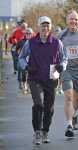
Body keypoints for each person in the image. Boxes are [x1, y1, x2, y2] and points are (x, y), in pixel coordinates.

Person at [18, 16, 67, 145]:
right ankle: (37, 132)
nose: (45, 28)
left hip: (51, 78)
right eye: (42, 25)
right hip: (35, 78)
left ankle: (45, 131)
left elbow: (64, 58)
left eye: (47, 25)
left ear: (50, 27)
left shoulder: (57, 43)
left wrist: (62, 66)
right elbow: (21, 57)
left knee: (49, 107)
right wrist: (26, 67)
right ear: (38, 27)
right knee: (39, 104)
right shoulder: (31, 43)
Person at [58, 10, 78, 137]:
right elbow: (55, 51)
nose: (73, 21)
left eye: (75, 19)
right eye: (71, 19)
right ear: (67, 21)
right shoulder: (61, 35)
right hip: (66, 68)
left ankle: (74, 115)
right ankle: (69, 125)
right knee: (68, 96)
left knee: (77, 98)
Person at [16, 27, 34, 93]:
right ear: (25, 34)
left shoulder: (34, 41)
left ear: (32, 34)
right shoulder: (21, 41)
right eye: (27, 33)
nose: (28, 35)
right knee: (23, 72)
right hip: (23, 59)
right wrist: (19, 54)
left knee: (30, 73)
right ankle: (24, 85)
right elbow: (16, 49)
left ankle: (29, 87)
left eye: (30, 33)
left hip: (31, 60)